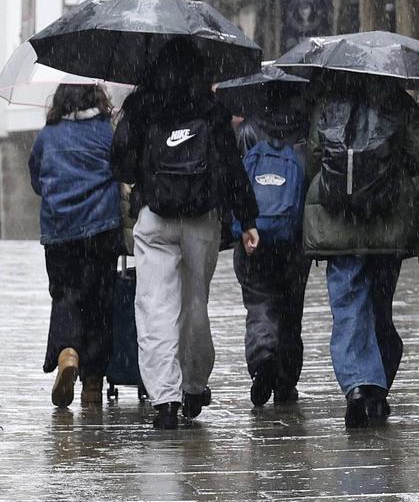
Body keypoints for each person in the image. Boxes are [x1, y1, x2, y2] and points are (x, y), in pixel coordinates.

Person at [112, 40, 260, 430]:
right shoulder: (209, 108)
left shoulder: (142, 104)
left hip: (155, 217)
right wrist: (247, 218)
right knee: (194, 304)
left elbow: (122, 165)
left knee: (155, 306)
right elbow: (231, 166)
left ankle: (165, 400)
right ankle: (194, 384)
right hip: (201, 219)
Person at [304, 75, 419, 428]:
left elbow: (314, 156)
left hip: (337, 221)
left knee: (348, 305)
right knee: (380, 307)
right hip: (388, 221)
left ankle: (360, 386)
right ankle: (375, 384)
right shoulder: (396, 101)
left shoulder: (328, 103)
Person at [28, 84, 124, 409]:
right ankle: (93, 384)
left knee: (66, 294)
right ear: (97, 99)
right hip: (102, 230)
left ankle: (68, 352)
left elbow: (36, 180)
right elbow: (122, 169)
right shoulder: (106, 133)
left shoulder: (48, 136)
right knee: (100, 303)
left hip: (60, 232)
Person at [232, 88, 312, 407]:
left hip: (254, 234)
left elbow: (235, 178)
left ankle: (263, 356)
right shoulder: (305, 130)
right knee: (291, 310)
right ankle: (285, 379)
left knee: (259, 302)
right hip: (294, 238)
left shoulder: (248, 129)